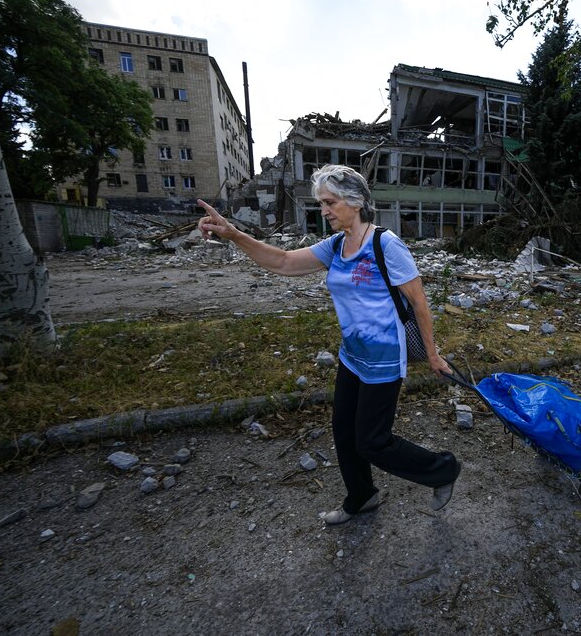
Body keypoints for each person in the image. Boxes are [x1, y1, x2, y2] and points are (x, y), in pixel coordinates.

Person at [196, 164, 460, 526]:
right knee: (343, 431)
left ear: (355, 201)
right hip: (352, 358)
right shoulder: (336, 246)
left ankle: (442, 469)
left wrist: (431, 354)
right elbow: (284, 261)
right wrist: (233, 234)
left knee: (372, 441)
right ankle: (362, 496)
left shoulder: (386, 244)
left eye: (330, 202)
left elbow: (419, 302)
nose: (324, 210)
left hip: (383, 360)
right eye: (322, 202)